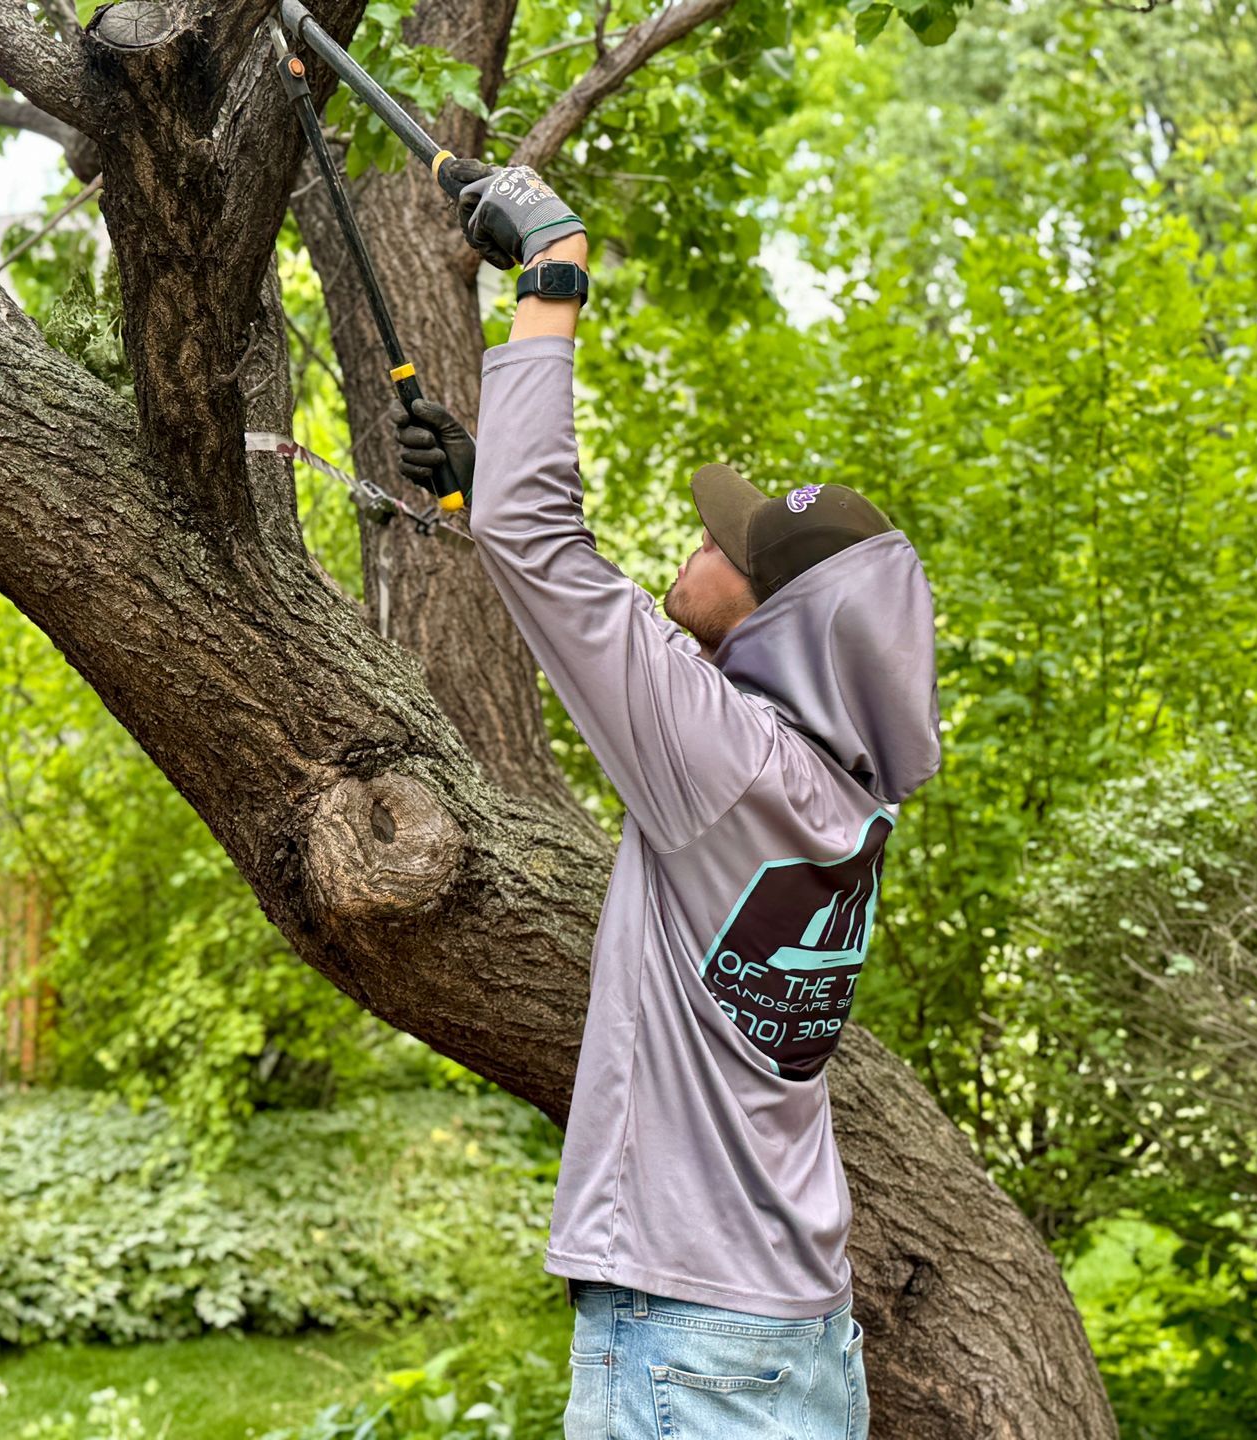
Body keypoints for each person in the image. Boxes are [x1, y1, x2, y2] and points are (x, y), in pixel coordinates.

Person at [390, 164, 942, 1440]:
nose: (695, 546)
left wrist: (554, 265)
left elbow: (555, 556)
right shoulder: (833, 790)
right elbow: (610, 626)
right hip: (795, 1332)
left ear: (783, 626)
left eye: (723, 547)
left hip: (693, 1344)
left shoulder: (731, 762)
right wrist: (483, 489)